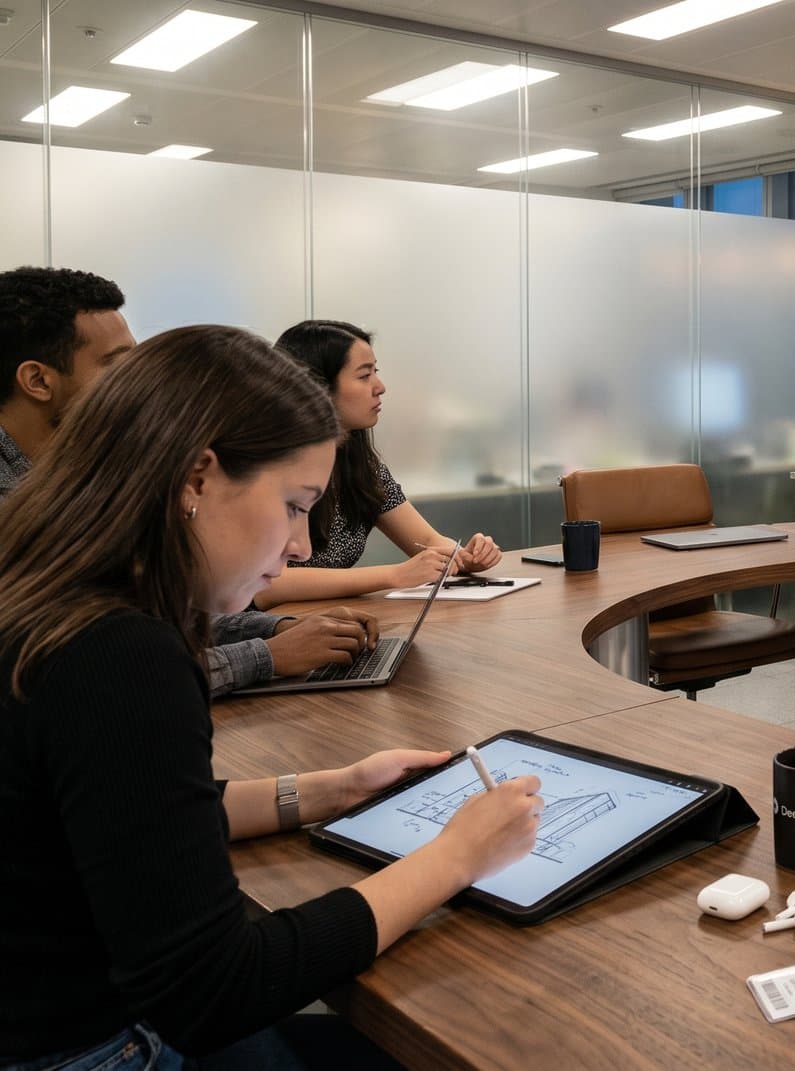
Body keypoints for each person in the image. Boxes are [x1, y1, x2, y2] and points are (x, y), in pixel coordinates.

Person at [0, 325, 543, 1069]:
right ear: (196, 479)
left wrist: (331, 788)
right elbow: (214, 986)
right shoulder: (120, 653)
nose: (301, 545)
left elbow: (129, 813)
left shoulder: (44, 594)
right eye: (293, 504)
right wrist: (456, 856)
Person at [0, 266, 380, 697]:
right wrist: (266, 654)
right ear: (37, 381)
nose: (139, 384)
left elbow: (161, 617)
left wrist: (278, 628)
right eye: (117, 366)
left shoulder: (74, 484)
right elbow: (115, 672)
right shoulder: (46, 507)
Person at [252, 320, 502, 607]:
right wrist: (394, 575)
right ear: (316, 386)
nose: (380, 387)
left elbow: (426, 540)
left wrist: (466, 557)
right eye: (364, 376)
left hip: (328, 620)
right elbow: (268, 584)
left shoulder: (360, 464)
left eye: (376, 373)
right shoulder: (269, 464)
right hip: (265, 630)